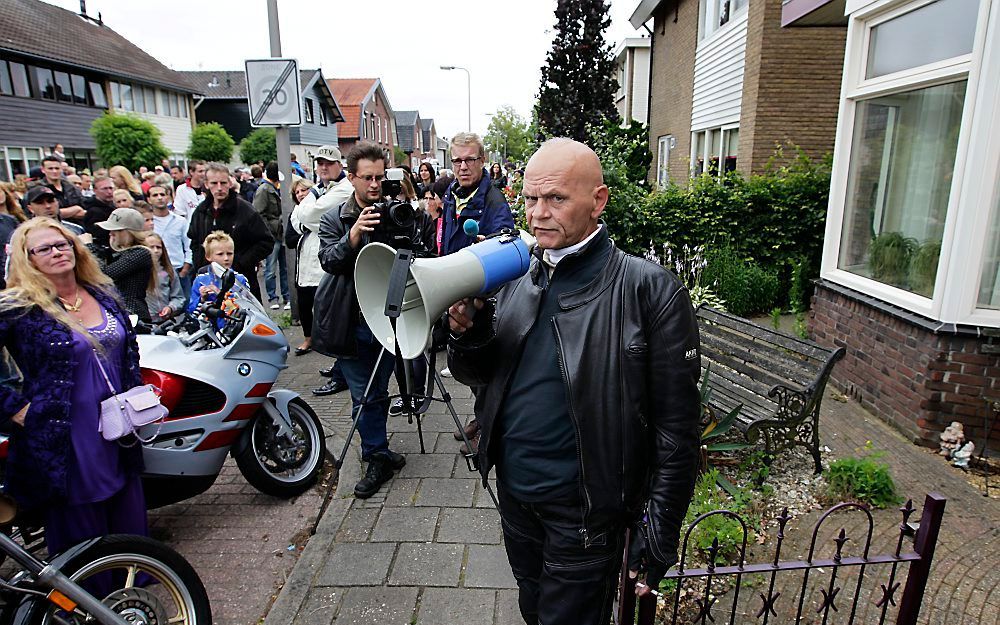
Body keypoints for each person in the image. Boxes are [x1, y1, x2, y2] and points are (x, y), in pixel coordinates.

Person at [446, 139, 700, 624]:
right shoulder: (519, 275)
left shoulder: (647, 290)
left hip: (585, 516)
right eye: (530, 200)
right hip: (517, 497)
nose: (538, 214)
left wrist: (659, 529)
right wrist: (468, 335)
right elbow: (477, 377)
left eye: (556, 199)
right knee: (532, 607)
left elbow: (677, 427)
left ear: (597, 201)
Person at [0, 217, 147, 556]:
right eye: (44, 248)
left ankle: (130, 594)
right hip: (67, 435)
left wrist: (138, 395)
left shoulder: (101, 292)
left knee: (127, 510)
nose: (56, 252)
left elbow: (128, 353)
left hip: (118, 428)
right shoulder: (19, 307)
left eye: (62, 244)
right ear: (29, 259)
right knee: (83, 522)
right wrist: (14, 409)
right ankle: (87, 600)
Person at [312, 141, 434, 498]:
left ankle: (377, 448)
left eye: (380, 177)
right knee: (363, 394)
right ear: (351, 178)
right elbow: (329, 262)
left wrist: (411, 226)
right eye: (367, 178)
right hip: (349, 321)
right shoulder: (335, 218)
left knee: (378, 391)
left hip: (388, 317)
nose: (375, 185)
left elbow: (420, 255)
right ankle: (374, 456)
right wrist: (354, 236)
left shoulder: (396, 212)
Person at [440, 132, 515, 449]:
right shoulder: (451, 194)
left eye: (470, 159)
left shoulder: (492, 198)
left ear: (482, 161)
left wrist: (491, 247)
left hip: (480, 296)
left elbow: (506, 241)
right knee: (467, 362)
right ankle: (481, 416)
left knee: (484, 365)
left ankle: (491, 427)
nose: (463, 166)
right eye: (457, 160)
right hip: (454, 287)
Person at [187, 163, 273, 302]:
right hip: (209, 282)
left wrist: (240, 263)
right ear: (207, 184)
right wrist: (200, 267)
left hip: (241, 282)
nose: (219, 188)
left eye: (223, 182)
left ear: (230, 182)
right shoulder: (201, 211)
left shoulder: (245, 210)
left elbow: (266, 242)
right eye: (214, 183)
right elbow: (195, 242)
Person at [307, 145, 354, 396]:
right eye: (319, 163)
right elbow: (300, 218)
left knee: (340, 324)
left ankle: (341, 374)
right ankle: (340, 370)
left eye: (329, 163)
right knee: (333, 322)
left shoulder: (341, 192)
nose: (323, 167)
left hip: (338, 272)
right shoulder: (324, 190)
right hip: (322, 266)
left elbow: (306, 215)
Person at [92, 208, 154, 323]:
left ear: (127, 232)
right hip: (117, 312)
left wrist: (89, 247)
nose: (110, 234)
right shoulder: (118, 253)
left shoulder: (141, 253)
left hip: (134, 315)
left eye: (115, 230)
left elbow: (104, 275)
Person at [289, 176, 321, 355]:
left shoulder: (320, 208)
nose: (300, 195)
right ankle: (308, 338)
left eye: (304, 190)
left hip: (321, 269)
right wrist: (306, 228)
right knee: (304, 304)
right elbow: (289, 238)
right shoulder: (295, 214)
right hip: (304, 269)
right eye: (297, 192)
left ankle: (325, 340)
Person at [253, 161, 290, 310]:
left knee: (285, 267)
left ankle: (287, 296)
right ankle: (272, 296)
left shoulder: (277, 188)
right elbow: (259, 213)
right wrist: (269, 232)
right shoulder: (264, 190)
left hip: (282, 233)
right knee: (271, 268)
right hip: (273, 234)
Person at [186, 231, 250, 315]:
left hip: (233, 325)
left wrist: (220, 294)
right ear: (208, 256)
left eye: (230, 253)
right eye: (220, 254)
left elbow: (247, 310)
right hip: (208, 326)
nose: (226, 258)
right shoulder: (200, 280)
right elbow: (190, 310)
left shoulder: (240, 279)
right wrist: (202, 299)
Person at [148, 184, 192, 304]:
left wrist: (185, 268)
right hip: (154, 271)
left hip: (178, 269)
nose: (159, 198)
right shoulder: (147, 223)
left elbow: (189, 245)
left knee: (185, 303)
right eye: (155, 195)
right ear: (149, 199)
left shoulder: (180, 221)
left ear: (169, 197)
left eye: (163, 194)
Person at [143, 233, 184, 324]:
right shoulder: (138, 272)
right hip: (145, 322)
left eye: (158, 247)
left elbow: (179, 297)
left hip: (165, 321)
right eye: (151, 247)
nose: (156, 250)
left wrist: (170, 307)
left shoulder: (168, 271)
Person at [40, 155, 86, 225]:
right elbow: (43, 214)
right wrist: (75, 209)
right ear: (43, 170)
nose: (54, 171)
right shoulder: (39, 189)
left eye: (57, 168)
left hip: (78, 227)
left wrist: (63, 213)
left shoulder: (71, 187)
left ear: (61, 169)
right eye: (50, 168)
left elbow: (84, 210)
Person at [83, 175, 117, 248]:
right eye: (104, 189)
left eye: (111, 188)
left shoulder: (113, 205)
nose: (109, 192)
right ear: (95, 190)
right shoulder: (93, 211)